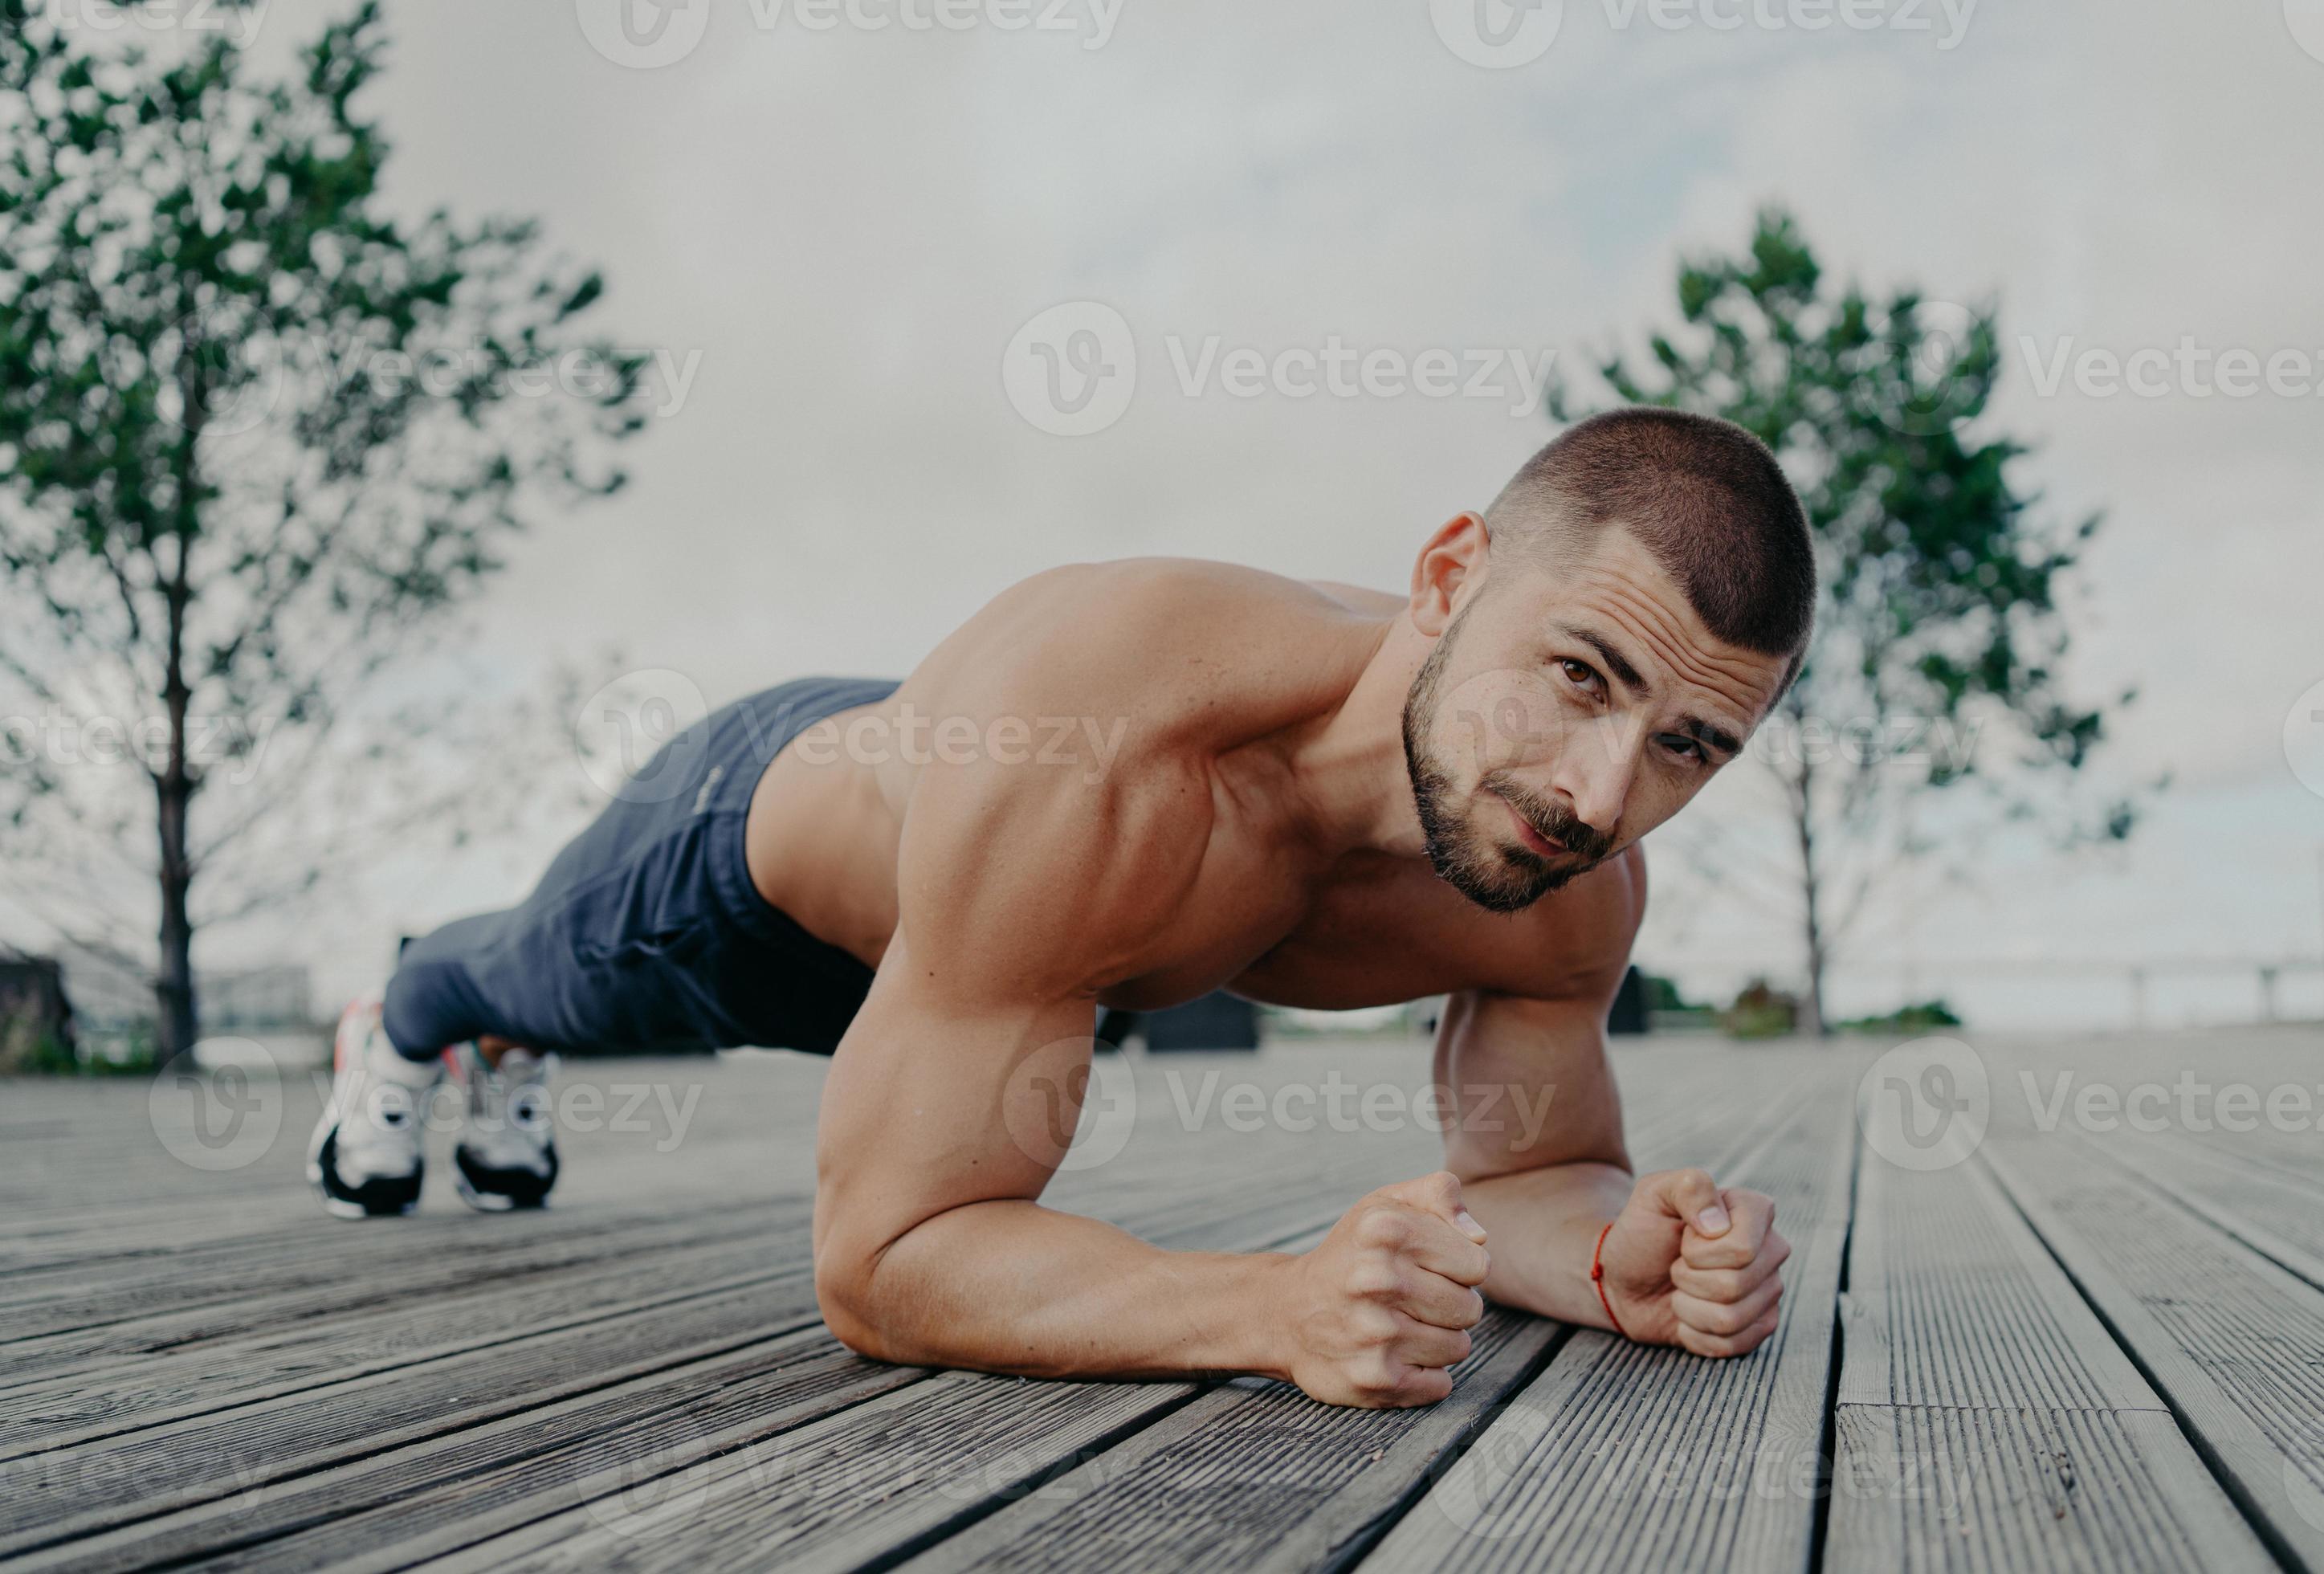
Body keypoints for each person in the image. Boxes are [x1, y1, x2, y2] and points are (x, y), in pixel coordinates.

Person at [307, 406, 1814, 1408]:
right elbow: (888, 1262)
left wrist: (1630, 1259)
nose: (1605, 796)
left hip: (991, 932)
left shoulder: (1562, 874)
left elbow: (1537, 1175)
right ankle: (407, 1021)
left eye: (1689, 744)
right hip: (746, 876)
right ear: (1445, 577)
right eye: (1579, 676)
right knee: (513, 975)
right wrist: (1271, 1311)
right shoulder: (1111, 739)